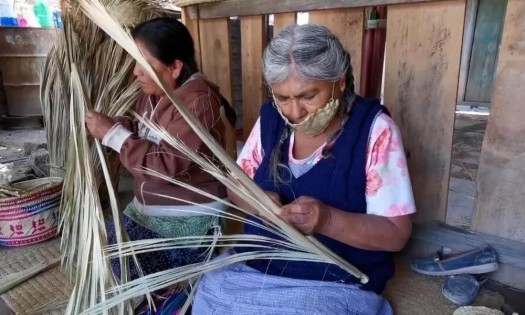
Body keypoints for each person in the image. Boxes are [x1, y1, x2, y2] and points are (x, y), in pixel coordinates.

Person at [192, 24, 415, 314]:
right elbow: (237, 185)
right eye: (283, 98)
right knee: (208, 294)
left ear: (341, 81)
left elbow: (396, 233)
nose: (294, 112)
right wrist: (260, 204)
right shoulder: (271, 118)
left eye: (309, 96)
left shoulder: (374, 129)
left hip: (335, 278)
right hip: (258, 266)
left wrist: (328, 221)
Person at [85, 17, 235, 289]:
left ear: (175, 67)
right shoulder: (154, 93)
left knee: (126, 264)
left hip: (189, 220)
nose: (135, 72)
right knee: (96, 242)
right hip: (150, 212)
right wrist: (117, 125)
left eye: (144, 63)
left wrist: (114, 136)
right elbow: (143, 130)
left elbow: (165, 165)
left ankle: (186, 281)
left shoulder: (198, 103)